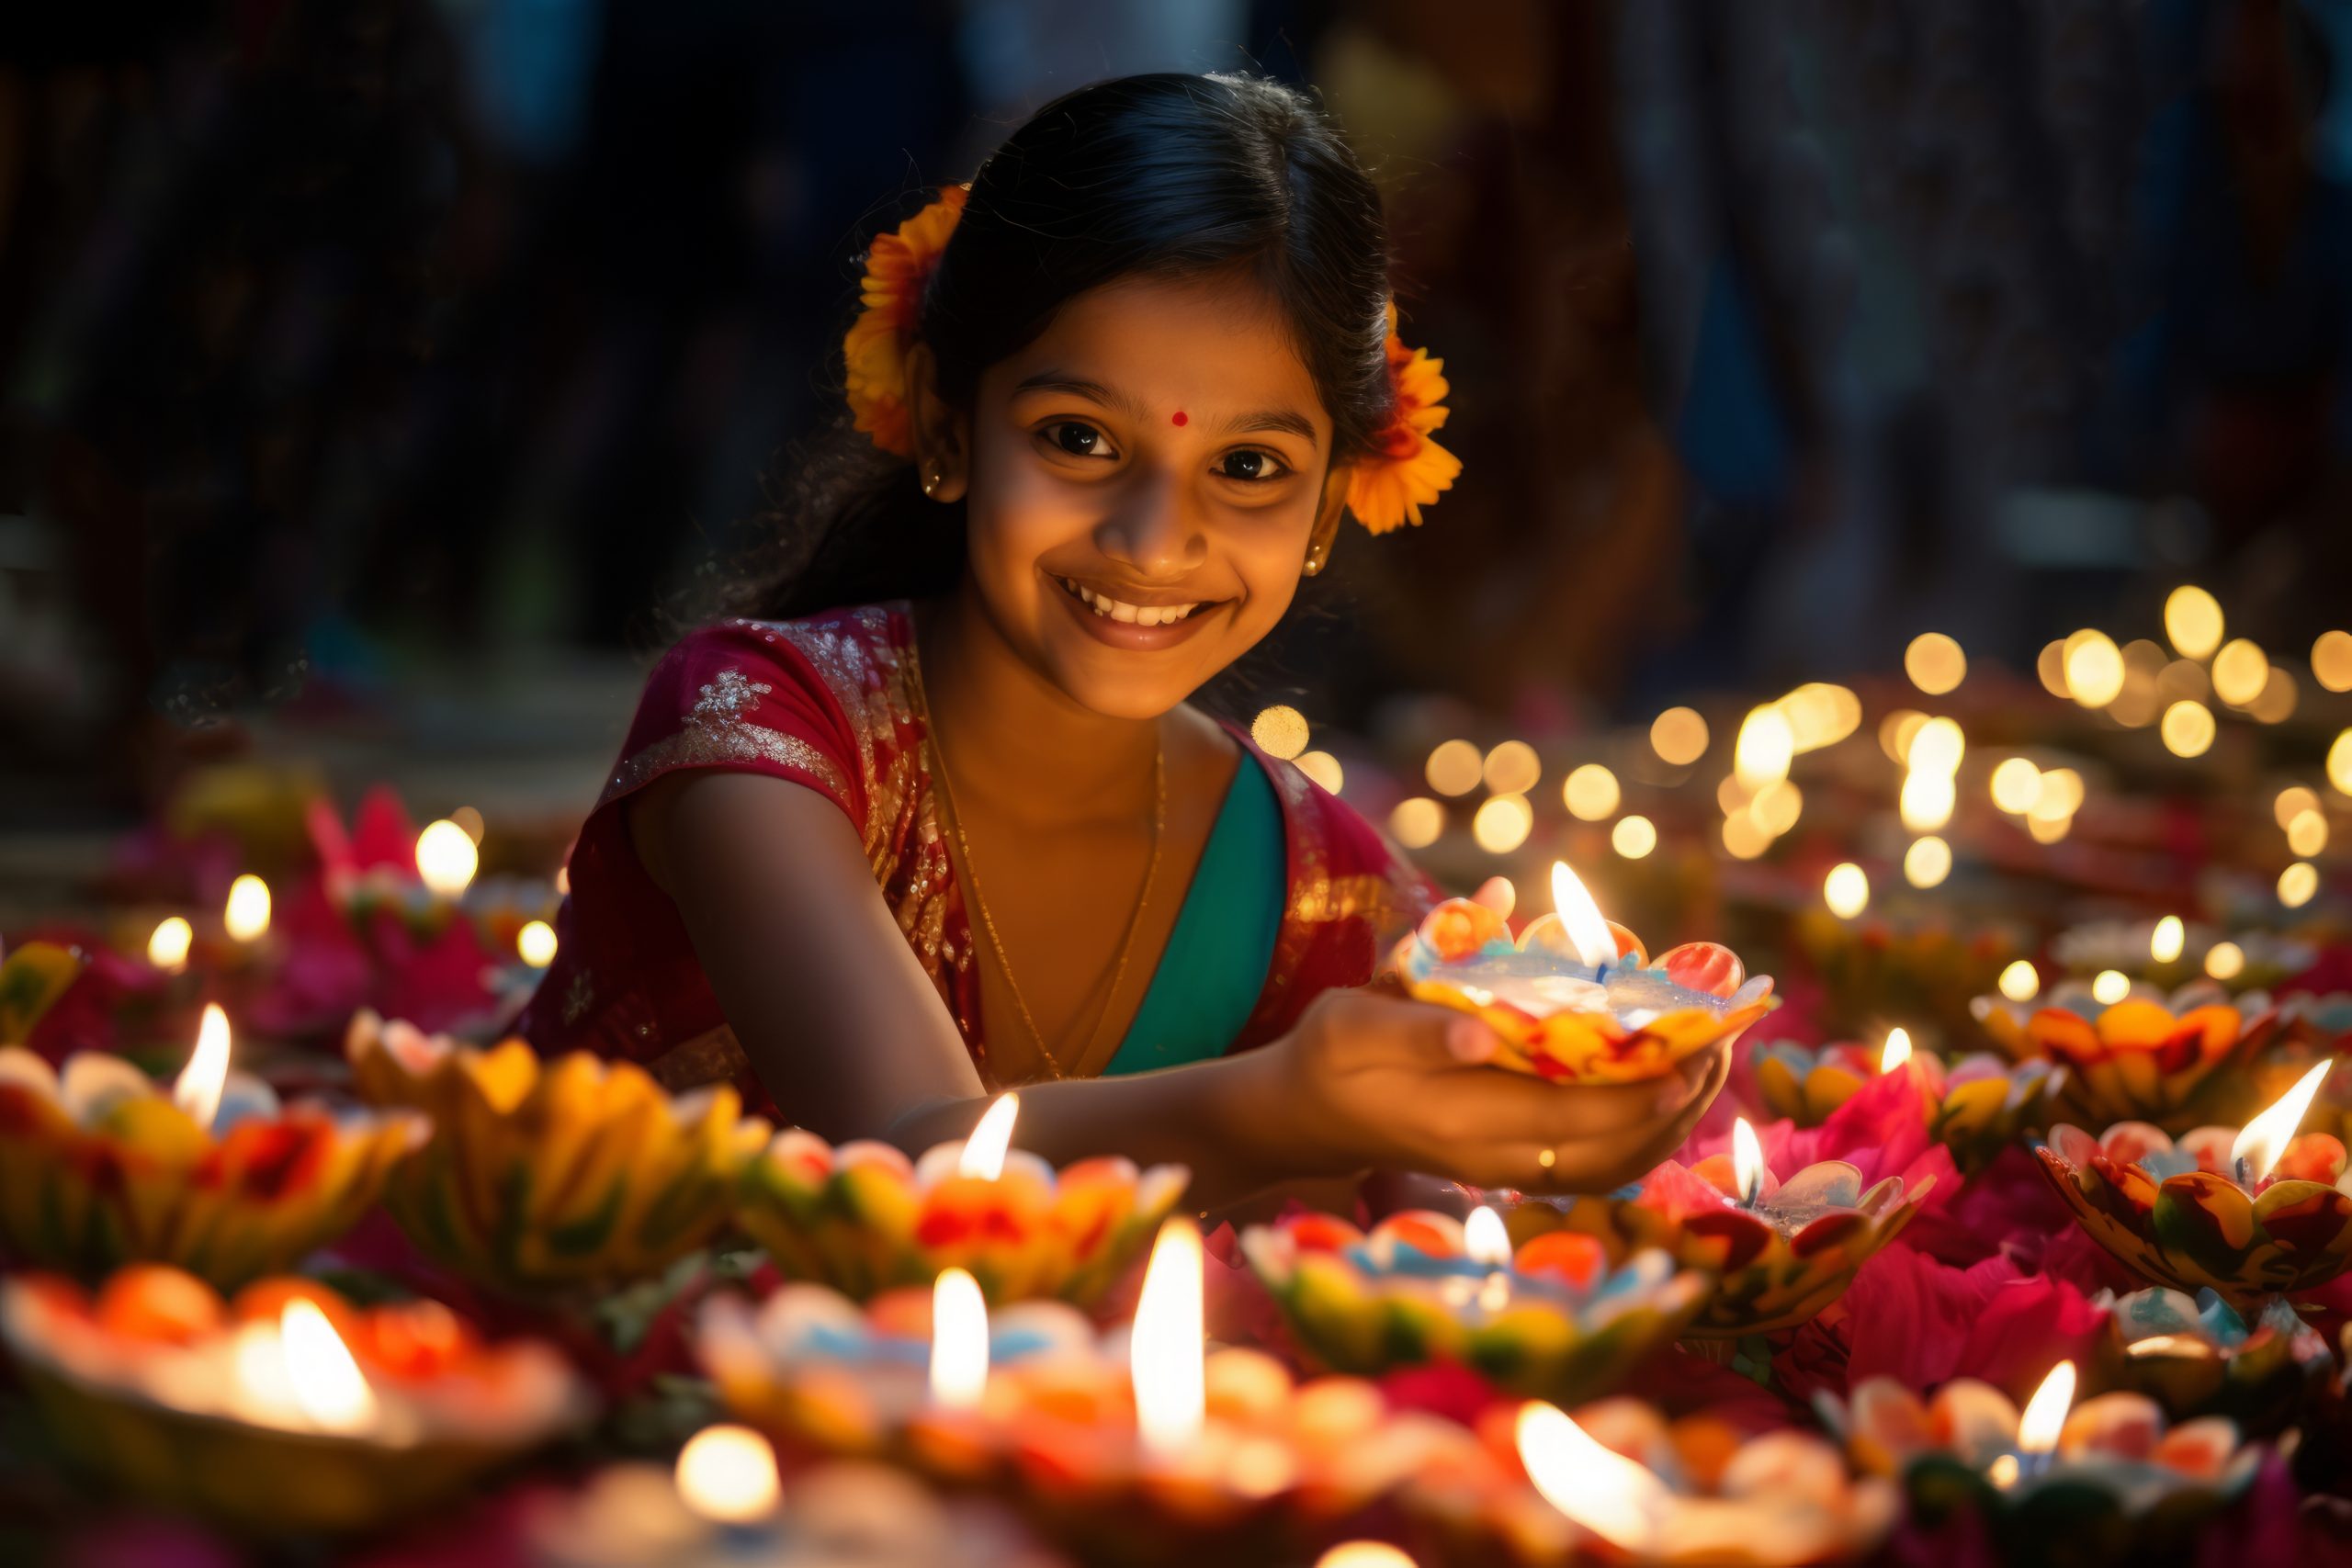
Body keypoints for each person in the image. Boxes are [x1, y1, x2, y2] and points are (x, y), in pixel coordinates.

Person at [521, 73, 1725, 1210]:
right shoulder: (758, 734)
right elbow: (907, 1168)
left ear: (1331, 504)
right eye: (1079, 439)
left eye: (1248, 468)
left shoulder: (1319, 890)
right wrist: (1286, 1109)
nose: (1155, 542)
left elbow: (1417, 1258)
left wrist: (1549, 1144)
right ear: (947, 424)